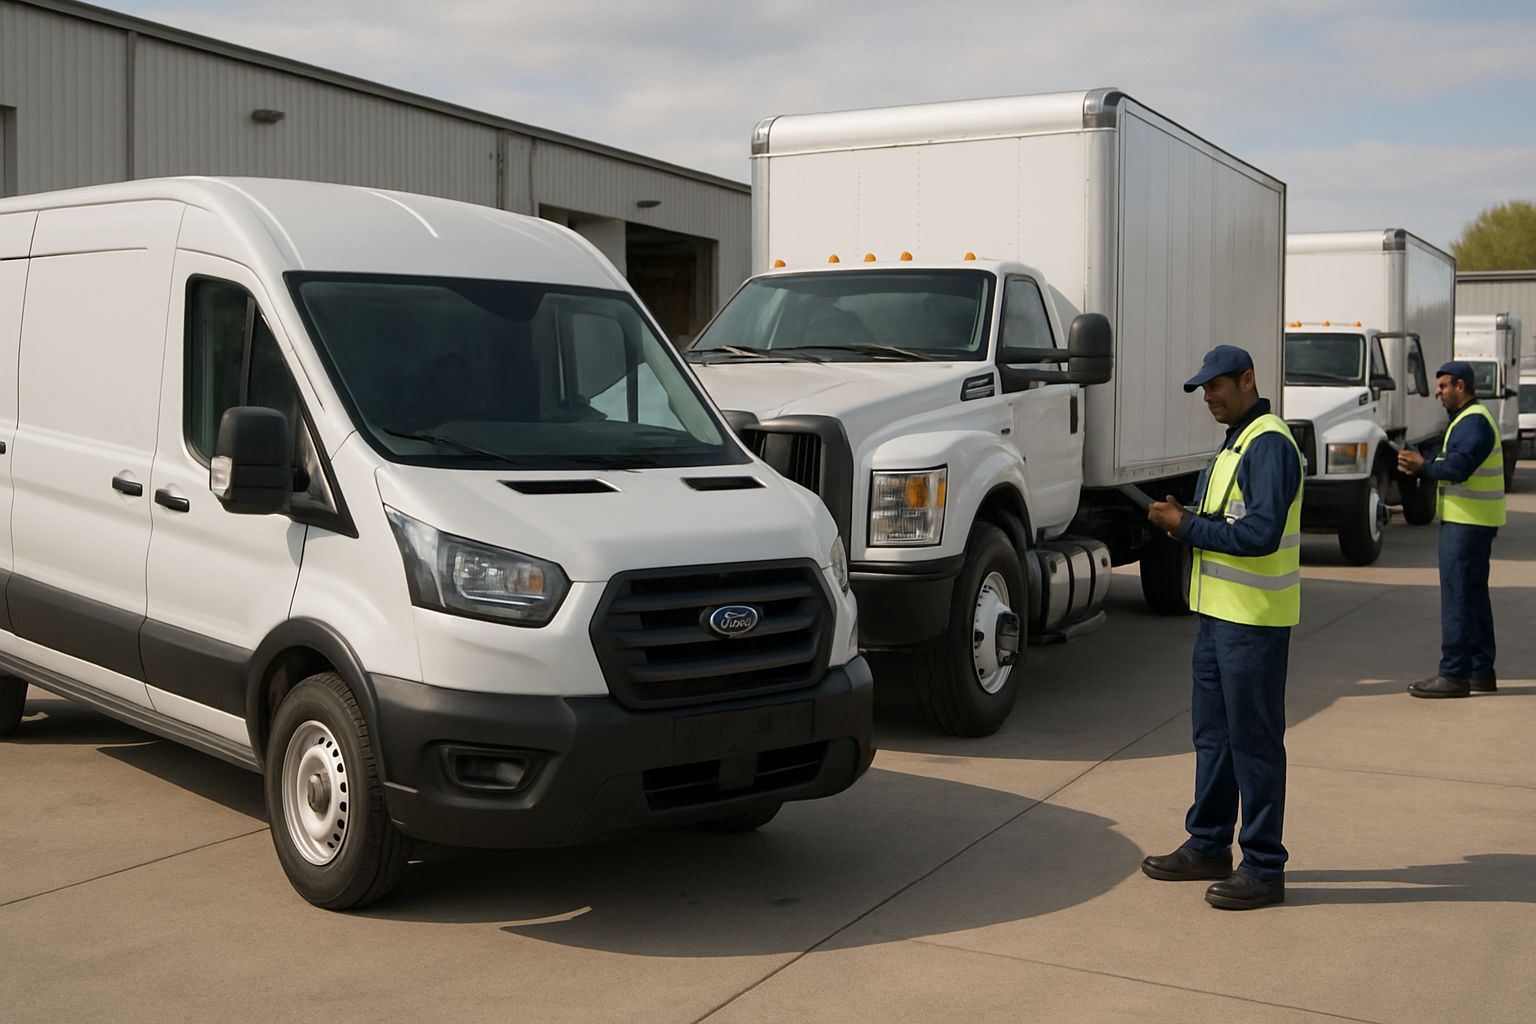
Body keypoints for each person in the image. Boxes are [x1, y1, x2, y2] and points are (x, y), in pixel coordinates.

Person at [1142, 345, 1303, 910]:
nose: (1208, 396)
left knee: (1254, 743)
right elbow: (1227, 521)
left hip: (1253, 623)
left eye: (1215, 386)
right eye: (1202, 388)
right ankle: (1209, 843)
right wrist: (1184, 519)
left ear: (1247, 380)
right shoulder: (1236, 443)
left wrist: (1184, 525)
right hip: (1219, 618)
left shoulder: (1269, 444)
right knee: (1214, 738)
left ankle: (1263, 866)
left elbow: (1259, 534)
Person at [1396, 361, 1505, 698]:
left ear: (1461, 385)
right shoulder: (1470, 420)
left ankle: (1454, 674)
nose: (1439, 394)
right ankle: (1480, 672)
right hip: (1473, 522)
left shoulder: (1473, 422)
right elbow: (1453, 459)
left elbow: (1458, 467)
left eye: (1443, 387)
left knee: (1458, 598)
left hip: (1467, 524)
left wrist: (1421, 467)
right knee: (1473, 598)